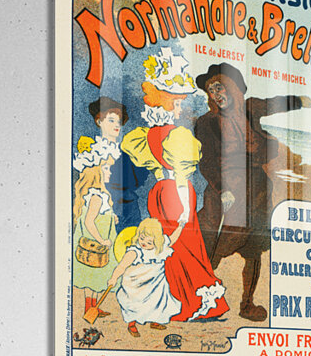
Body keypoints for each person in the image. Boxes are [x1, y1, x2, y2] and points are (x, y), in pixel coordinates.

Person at [193, 62, 311, 321]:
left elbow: (274, 103)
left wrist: (299, 101)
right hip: (225, 193)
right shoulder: (206, 123)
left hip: (256, 189)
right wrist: (221, 189)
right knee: (215, 246)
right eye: (211, 90)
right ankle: (199, 300)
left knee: (254, 247)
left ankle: (247, 304)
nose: (216, 94)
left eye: (220, 87)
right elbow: (207, 162)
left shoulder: (250, 108)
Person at [122, 124, 229, 322]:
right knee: (182, 265)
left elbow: (182, 212)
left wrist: (177, 226)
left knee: (186, 264)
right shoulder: (168, 182)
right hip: (176, 232)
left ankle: (194, 306)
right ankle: (190, 305)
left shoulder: (174, 185)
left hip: (180, 233)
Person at [77, 96, 149, 229]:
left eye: (119, 121)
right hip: (99, 209)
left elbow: (139, 179)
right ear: (99, 121)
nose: (117, 125)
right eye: (111, 120)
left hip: (128, 207)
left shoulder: (126, 152)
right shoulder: (91, 154)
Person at [106, 218, 184, 337]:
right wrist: (114, 278)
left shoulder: (160, 247)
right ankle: (132, 323)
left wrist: (181, 226)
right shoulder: (134, 252)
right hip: (136, 284)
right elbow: (121, 266)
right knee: (135, 304)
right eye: (142, 238)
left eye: (149, 242)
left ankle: (155, 320)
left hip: (155, 284)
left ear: (157, 241)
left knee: (157, 301)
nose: (144, 243)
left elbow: (172, 238)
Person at [71, 151, 117, 320]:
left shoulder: (98, 194)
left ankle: (93, 308)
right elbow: (89, 221)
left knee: (95, 277)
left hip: (96, 243)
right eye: (106, 168)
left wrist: (112, 217)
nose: (110, 172)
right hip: (95, 243)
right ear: (96, 172)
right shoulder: (97, 196)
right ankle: (89, 308)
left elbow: (98, 216)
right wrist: (102, 240)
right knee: (92, 276)